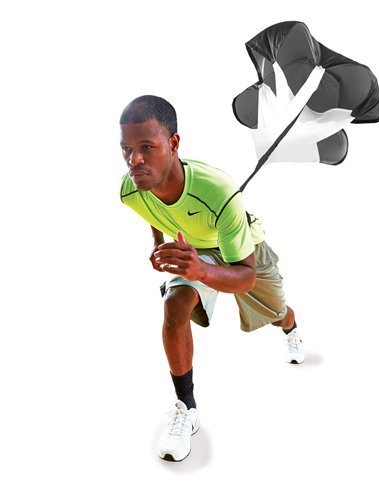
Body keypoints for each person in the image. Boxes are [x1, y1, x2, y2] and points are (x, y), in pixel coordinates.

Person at [119, 95, 305, 462]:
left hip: (244, 251)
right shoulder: (131, 190)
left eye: (146, 147)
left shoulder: (219, 191)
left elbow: (246, 276)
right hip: (194, 248)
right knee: (174, 306)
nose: (134, 160)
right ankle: (186, 408)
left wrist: (202, 271)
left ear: (173, 143)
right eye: (126, 149)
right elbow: (151, 210)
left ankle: (290, 327)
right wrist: (158, 244)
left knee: (276, 312)